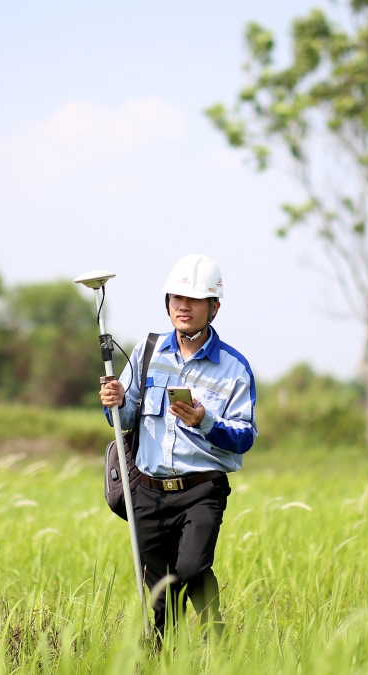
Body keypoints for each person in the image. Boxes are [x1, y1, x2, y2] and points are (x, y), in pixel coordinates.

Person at [99, 254, 257, 639]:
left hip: (202, 490)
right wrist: (116, 402)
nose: (183, 307)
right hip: (148, 490)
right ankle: (164, 658)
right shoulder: (146, 352)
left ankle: (213, 626)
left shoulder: (235, 367)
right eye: (175, 298)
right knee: (159, 596)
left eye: (194, 300)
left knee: (189, 568)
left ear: (214, 307)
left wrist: (204, 420)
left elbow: (245, 436)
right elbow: (125, 420)